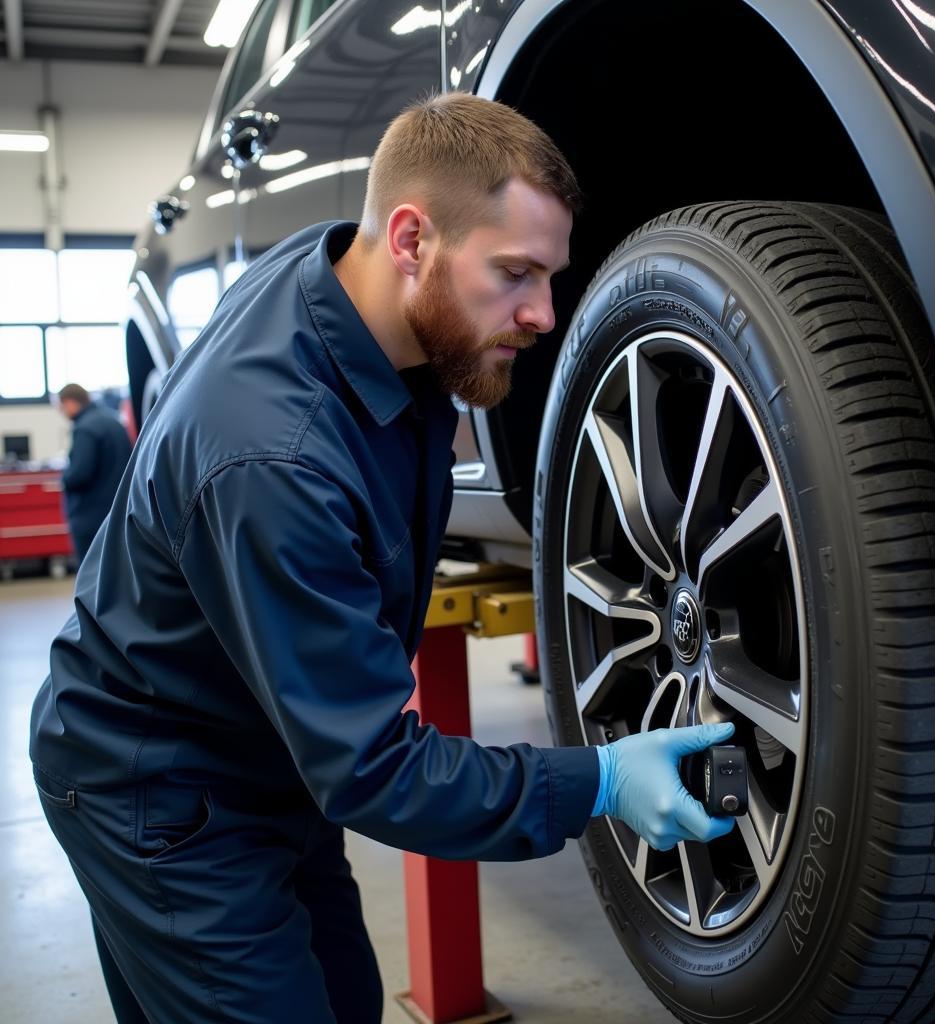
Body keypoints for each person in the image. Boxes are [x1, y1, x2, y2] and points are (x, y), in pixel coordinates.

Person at [30, 94, 735, 1024]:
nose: (545, 314)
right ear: (410, 240)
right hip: (156, 790)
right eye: (516, 273)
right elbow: (371, 769)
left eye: (550, 276)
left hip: (271, 754)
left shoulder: (346, 277)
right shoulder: (272, 458)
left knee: (347, 1004)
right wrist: (597, 780)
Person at [56, 382, 132, 562]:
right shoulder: (114, 422)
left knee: (89, 576)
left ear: (70, 403)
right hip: (116, 513)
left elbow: (79, 474)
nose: (61, 412)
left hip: (89, 517)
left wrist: (63, 478)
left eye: (61, 406)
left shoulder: (84, 429)